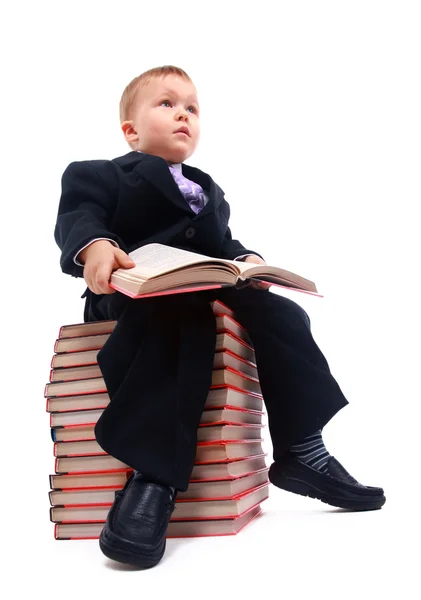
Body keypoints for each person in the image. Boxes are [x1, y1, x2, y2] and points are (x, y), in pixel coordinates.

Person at [54, 65, 385, 569]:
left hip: (199, 285)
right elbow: (80, 216)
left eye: (192, 107)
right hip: (133, 292)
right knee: (182, 317)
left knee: (280, 315)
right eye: (166, 104)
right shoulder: (99, 173)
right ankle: (153, 473)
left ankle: (302, 447)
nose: (183, 113)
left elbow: (221, 248)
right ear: (131, 130)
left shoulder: (209, 191)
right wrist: (94, 246)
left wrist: (247, 259)